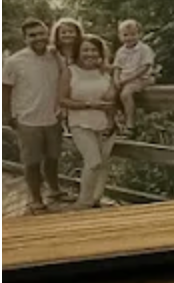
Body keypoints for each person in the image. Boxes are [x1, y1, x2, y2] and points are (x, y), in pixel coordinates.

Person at [4, 19, 65, 211]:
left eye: (41, 33)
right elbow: (5, 89)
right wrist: (7, 116)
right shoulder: (14, 61)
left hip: (53, 117)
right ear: (25, 38)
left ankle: (54, 190)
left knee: (53, 157)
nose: (38, 38)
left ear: (48, 35)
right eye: (32, 35)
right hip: (27, 119)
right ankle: (35, 198)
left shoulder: (55, 57)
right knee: (32, 162)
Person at [60, 36, 121, 210]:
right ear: (78, 52)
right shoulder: (70, 71)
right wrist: (89, 104)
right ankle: (84, 201)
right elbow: (62, 99)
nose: (90, 54)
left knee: (103, 162)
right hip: (80, 123)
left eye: (94, 50)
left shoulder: (105, 72)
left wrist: (111, 120)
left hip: (106, 123)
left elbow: (113, 98)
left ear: (100, 53)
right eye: (85, 50)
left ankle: (96, 198)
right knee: (93, 161)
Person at [111, 19, 159, 129]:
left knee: (126, 94)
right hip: (124, 80)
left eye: (133, 34)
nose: (129, 38)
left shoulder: (144, 49)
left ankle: (130, 124)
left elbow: (145, 67)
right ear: (120, 36)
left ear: (140, 34)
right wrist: (116, 80)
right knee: (109, 94)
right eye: (125, 35)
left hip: (141, 78)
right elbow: (117, 67)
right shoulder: (121, 51)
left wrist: (127, 80)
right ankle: (114, 122)